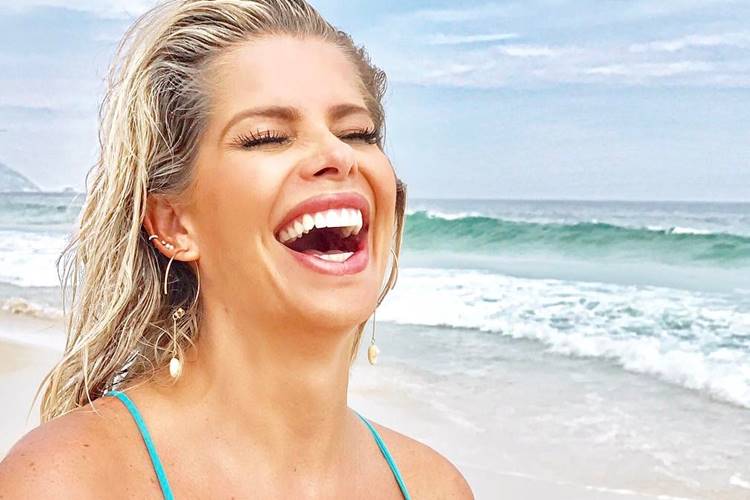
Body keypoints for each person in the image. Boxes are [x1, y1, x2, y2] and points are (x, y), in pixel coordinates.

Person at [0, 1, 474, 498]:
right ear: (173, 223)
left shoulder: (433, 486)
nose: (337, 154)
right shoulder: (70, 481)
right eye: (267, 138)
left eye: (358, 133)